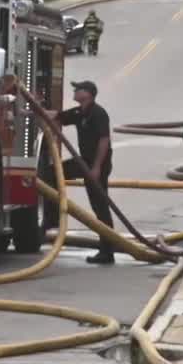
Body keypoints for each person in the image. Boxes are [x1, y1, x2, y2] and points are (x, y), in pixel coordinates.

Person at [55, 80, 117, 264]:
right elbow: (57, 116)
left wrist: (97, 168)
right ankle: (51, 215)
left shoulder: (98, 114)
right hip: (84, 163)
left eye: (78, 89)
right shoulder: (79, 112)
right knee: (52, 173)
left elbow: (104, 141)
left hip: (97, 165)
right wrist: (31, 111)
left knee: (100, 206)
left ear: (88, 94)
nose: (74, 91)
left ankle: (107, 251)